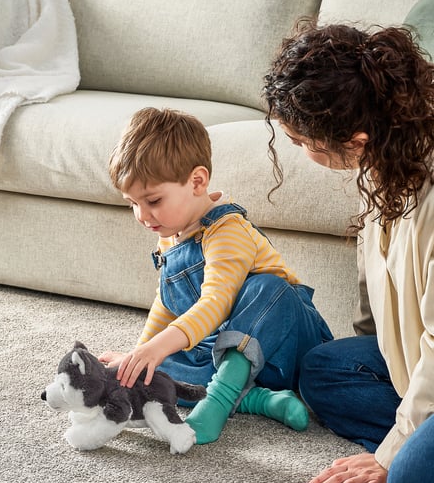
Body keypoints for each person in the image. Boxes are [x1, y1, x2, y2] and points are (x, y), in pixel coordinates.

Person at [263, 20, 434, 483]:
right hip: (419, 362)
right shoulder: (389, 154)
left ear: (355, 140)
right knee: (324, 369)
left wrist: (392, 452)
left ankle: (413, 451)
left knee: (414, 482)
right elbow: (377, 290)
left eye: (301, 141)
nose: (301, 152)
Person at [99, 107, 333, 444]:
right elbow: (167, 304)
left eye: (152, 200)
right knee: (161, 371)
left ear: (197, 181)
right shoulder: (171, 232)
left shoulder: (227, 230)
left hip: (286, 344)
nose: (142, 215)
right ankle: (256, 399)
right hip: (232, 359)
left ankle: (219, 401)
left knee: (269, 287)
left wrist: (157, 349)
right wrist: (141, 354)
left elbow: (215, 303)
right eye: (132, 203)